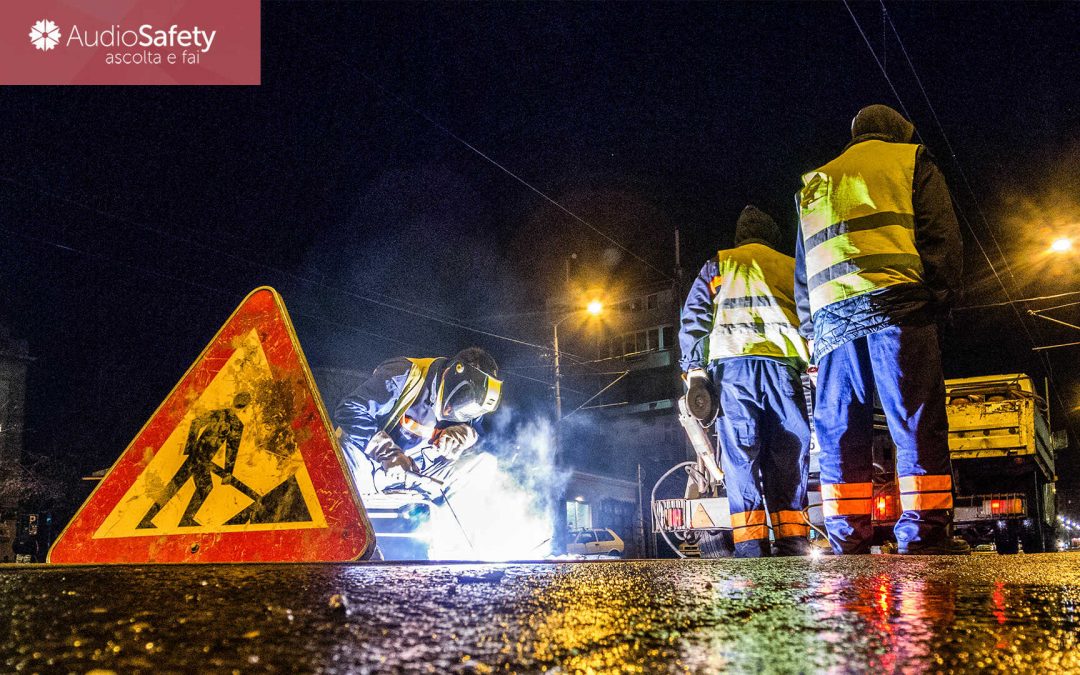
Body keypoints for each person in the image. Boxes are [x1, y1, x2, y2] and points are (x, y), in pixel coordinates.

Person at [794, 104, 967, 555]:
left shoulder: (815, 182)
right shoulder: (910, 160)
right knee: (913, 419)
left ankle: (847, 537)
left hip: (832, 324)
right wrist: (940, 297)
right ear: (897, 131)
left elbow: (804, 269)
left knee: (839, 430)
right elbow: (940, 237)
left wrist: (812, 330)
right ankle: (924, 533)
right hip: (899, 307)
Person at [680, 205, 813, 557]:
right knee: (788, 454)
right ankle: (792, 542)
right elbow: (811, 314)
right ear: (772, 236)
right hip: (782, 370)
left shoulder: (719, 264)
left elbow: (694, 317)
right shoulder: (790, 265)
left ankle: (751, 547)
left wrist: (695, 371)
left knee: (741, 459)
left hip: (733, 375)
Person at [334, 347, 501, 499]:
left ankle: (441, 524)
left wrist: (466, 434)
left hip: (414, 474)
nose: (450, 411)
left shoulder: (472, 403)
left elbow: (477, 432)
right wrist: (388, 453)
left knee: (484, 464)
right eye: (459, 400)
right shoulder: (403, 373)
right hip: (366, 462)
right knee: (342, 458)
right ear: (451, 373)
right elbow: (349, 409)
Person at [138, 392, 251, 529]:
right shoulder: (236, 425)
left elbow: (196, 423)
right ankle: (185, 520)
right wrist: (227, 472)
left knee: (175, 485)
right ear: (245, 406)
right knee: (205, 488)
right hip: (202, 460)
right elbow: (231, 451)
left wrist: (190, 448)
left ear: (234, 401)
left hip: (196, 456)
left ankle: (146, 519)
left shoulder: (218, 414)